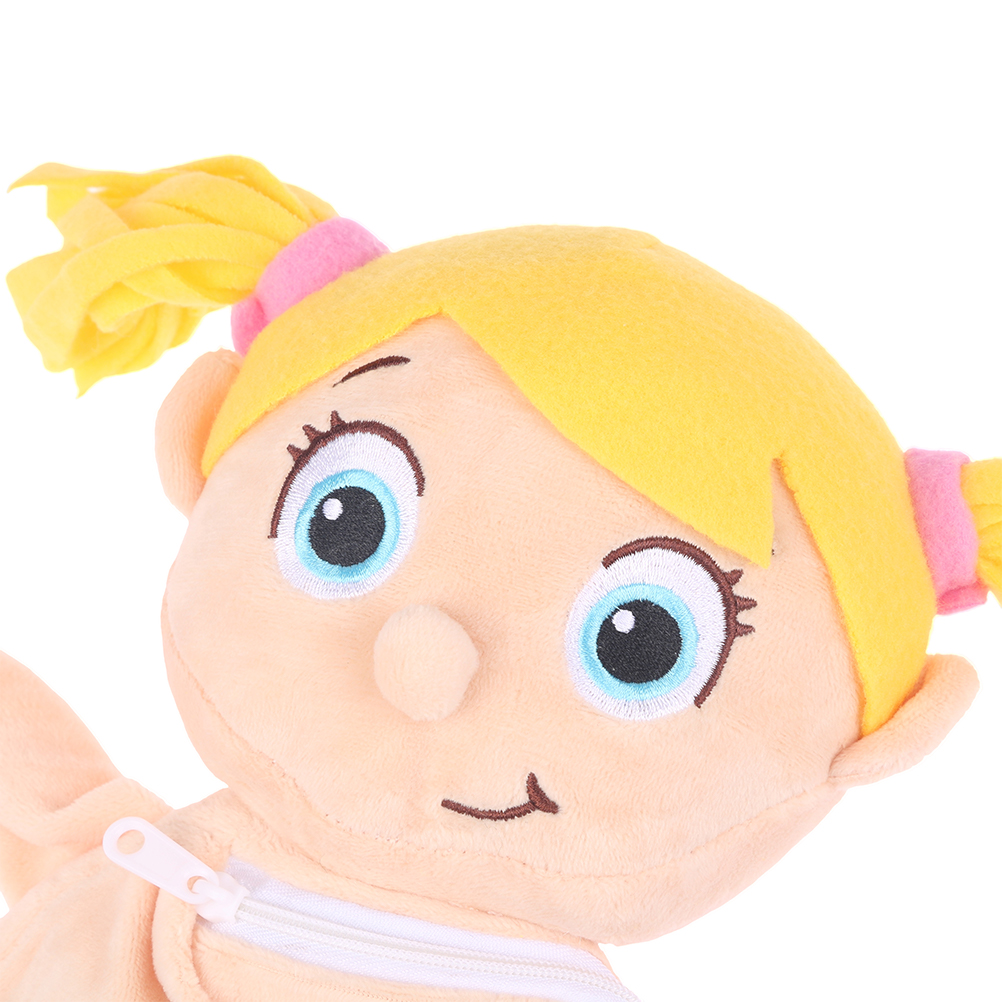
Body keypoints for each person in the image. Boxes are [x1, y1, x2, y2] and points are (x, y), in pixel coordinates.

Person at [1, 157, 997, 1001]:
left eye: (639, 641)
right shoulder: (142, 867)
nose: (424, 660)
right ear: (196, 447)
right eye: (346, 521)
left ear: (886, 742)